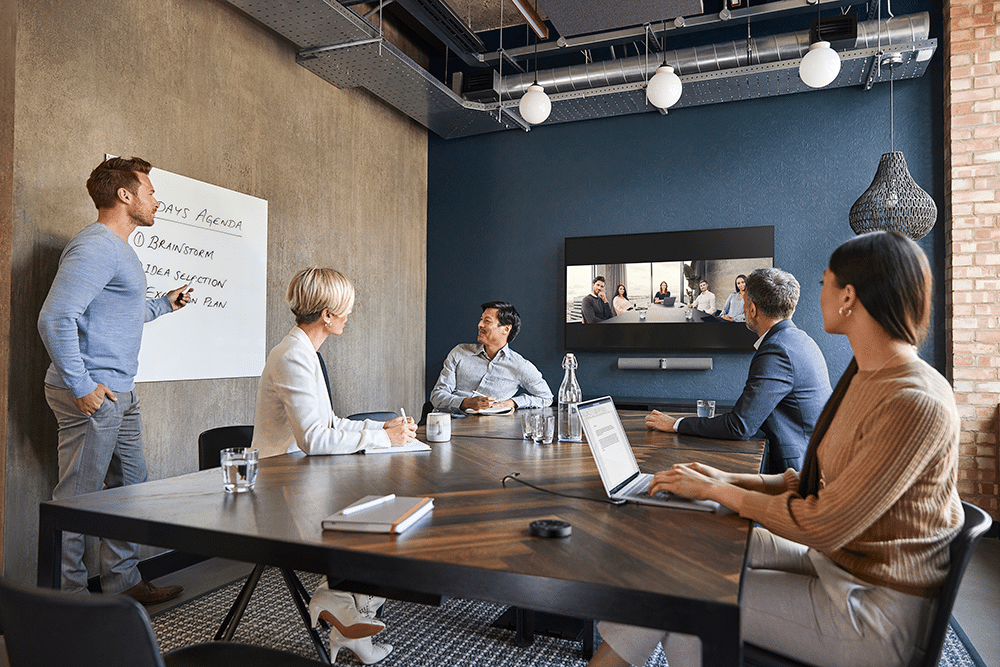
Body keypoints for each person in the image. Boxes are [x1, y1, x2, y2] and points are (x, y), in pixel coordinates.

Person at [593, 231, 962, 667]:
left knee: (682, 592)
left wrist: (719, 492)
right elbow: (809, 484)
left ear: (848, 296)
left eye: (824, 281)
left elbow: (823, 523)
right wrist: (725, 478)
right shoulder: (866, 376)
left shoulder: (912, 399)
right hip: (839, 564)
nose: (815, 291)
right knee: (680, 554)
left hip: (872, 608)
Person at [37, 156, 193, 604]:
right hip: (93, 391)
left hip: (119, 389)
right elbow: (55, 317)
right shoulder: (96, 246)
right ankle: (64, 601)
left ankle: (123, 585)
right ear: (125, 196)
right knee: (77, 500)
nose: (156, 201)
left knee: (130, 484)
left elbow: (119, 313)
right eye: (149, 192)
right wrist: (82, 385)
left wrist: (163, 305)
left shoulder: (119, 249)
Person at [253, 267, 417, 664]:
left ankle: (350, 614)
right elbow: (314, 439)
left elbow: (327, 423)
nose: (350, 314)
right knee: (375, 518)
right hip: (280, 486)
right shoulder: (292, 354)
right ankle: (337, 598)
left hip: (300, 476)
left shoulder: (304, 352)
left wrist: (382, 427)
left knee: (381, 508)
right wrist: (382, 439)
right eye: (345, 308)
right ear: (326, 314)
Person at [646, 268, 831, 473]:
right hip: (810, 460)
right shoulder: (801, 340)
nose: (743, 308)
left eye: (744, 303)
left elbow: (739, 426)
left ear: (752, 309)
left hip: (793, 472)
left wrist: (675, 424)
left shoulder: (776, 350)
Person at [430, 301, 552, 413]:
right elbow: (437, 396)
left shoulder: (520, 365)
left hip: (491, 430)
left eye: (487, 321)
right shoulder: (459, 352)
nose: (479, 324)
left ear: (506, 329)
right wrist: (466, 403)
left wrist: (511, 403)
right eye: (481, 319)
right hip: (448, 423)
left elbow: (546, 397)